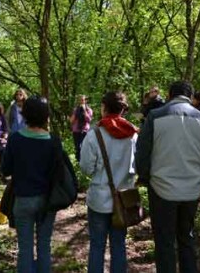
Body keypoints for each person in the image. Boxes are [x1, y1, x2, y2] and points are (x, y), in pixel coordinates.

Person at [136, 81, 200, 273]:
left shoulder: (155, 116)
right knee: (186, 238)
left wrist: (146, 177)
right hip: (191, 189)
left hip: (160, 187)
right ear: (190, 97)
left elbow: (142, 153)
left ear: (169, 94)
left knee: (164, 241)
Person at [1, 95, 61, 273]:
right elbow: (58, 173)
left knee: (25, 249)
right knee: (44, 246)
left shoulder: (15, 139)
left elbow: (6, 170)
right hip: (47, 201)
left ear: (24, 114)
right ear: (46, 116)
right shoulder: (54, 142)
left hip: (23, 199)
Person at [80, 91, 138, 273]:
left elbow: (86, 168)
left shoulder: (94, 134)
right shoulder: (134, 135)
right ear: (122, 110)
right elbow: (139, 166)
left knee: (97, 245)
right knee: (119, 245)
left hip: (99, 199)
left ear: (104, 108)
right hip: (124, 200)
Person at [69, 95, 93, 162]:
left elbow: (89, 120)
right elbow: (71, 121)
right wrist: (75, 112)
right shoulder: (75, 109)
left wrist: (84, 110)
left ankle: (85, 161)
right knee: (77, 147)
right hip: (76, 131)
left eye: (83, 100)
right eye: (80, 100)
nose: (81, 101)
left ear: (85, 101)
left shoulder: (89, 110)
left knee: (84, 147)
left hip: (85, 131)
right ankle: (78, 162)